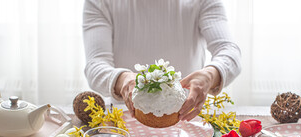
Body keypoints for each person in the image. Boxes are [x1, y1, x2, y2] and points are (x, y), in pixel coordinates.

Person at [83, 0, 241, 121]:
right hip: (125, 126)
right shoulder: (100, 2)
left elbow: (229, 51)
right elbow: (95, 66)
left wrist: (209, 76)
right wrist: (123, 79)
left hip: (187, 123)